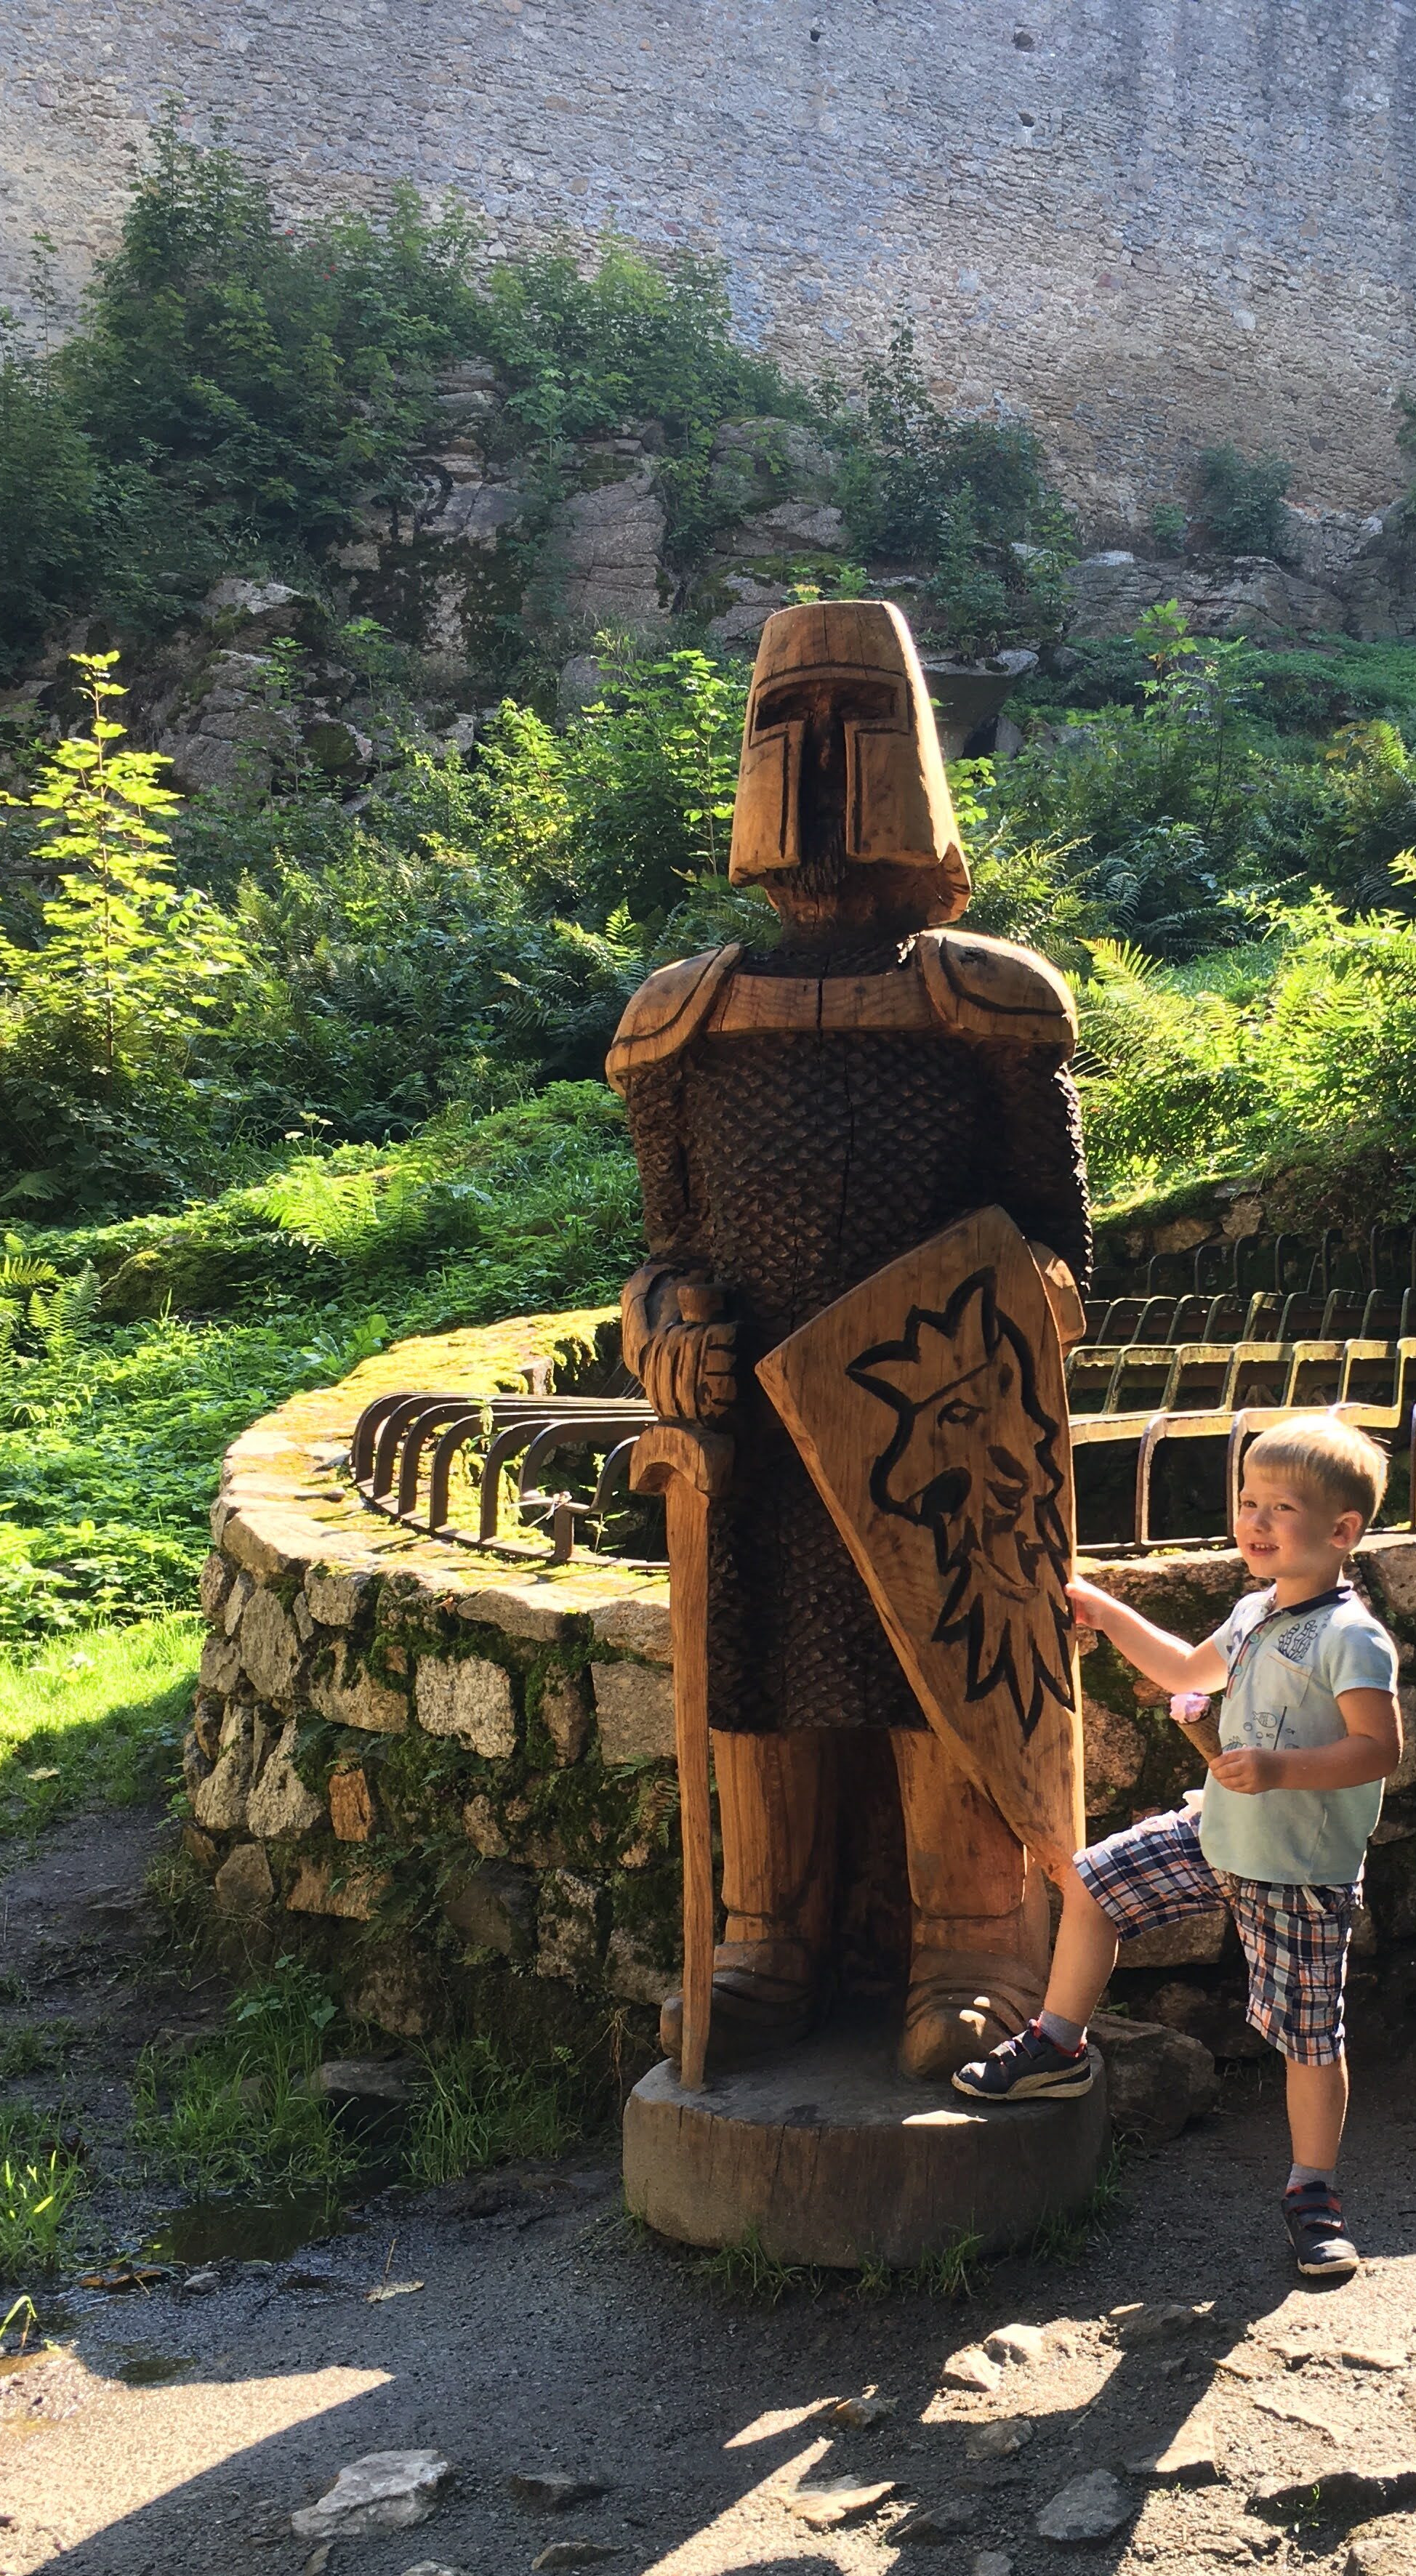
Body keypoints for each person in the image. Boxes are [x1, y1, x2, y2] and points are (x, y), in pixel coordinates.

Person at [607, 600, 1090, 2080]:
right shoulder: (684, 1024)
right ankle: (767, 1940)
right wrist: (667, 1333)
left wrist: (1002, 1329)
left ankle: (972, 1942)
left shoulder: (983, 1006)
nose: (819, 756)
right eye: (786, 720)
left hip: (937, 1433)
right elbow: (667, 1251)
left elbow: (1057, 1249)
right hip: (755, 1435)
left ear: (917, 756)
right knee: (761, 1670)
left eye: (858, 718)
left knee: (940, 1665)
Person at [954, 1413, 1401, 2280]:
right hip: (1218, 1836)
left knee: (1310, 2040)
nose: (1255, 1521)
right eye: (1248, 1500)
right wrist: (1107, 1611)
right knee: (1094, 1884)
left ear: (1342, 1531)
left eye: (1280, 1507)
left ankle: (1313, 2194)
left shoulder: (1353, 1637)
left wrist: (1278, 1768)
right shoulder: (1255, 1611)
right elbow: (1188, 1672)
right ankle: (1057, 2044)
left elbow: (1378, 1749)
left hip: (1299, 1874)